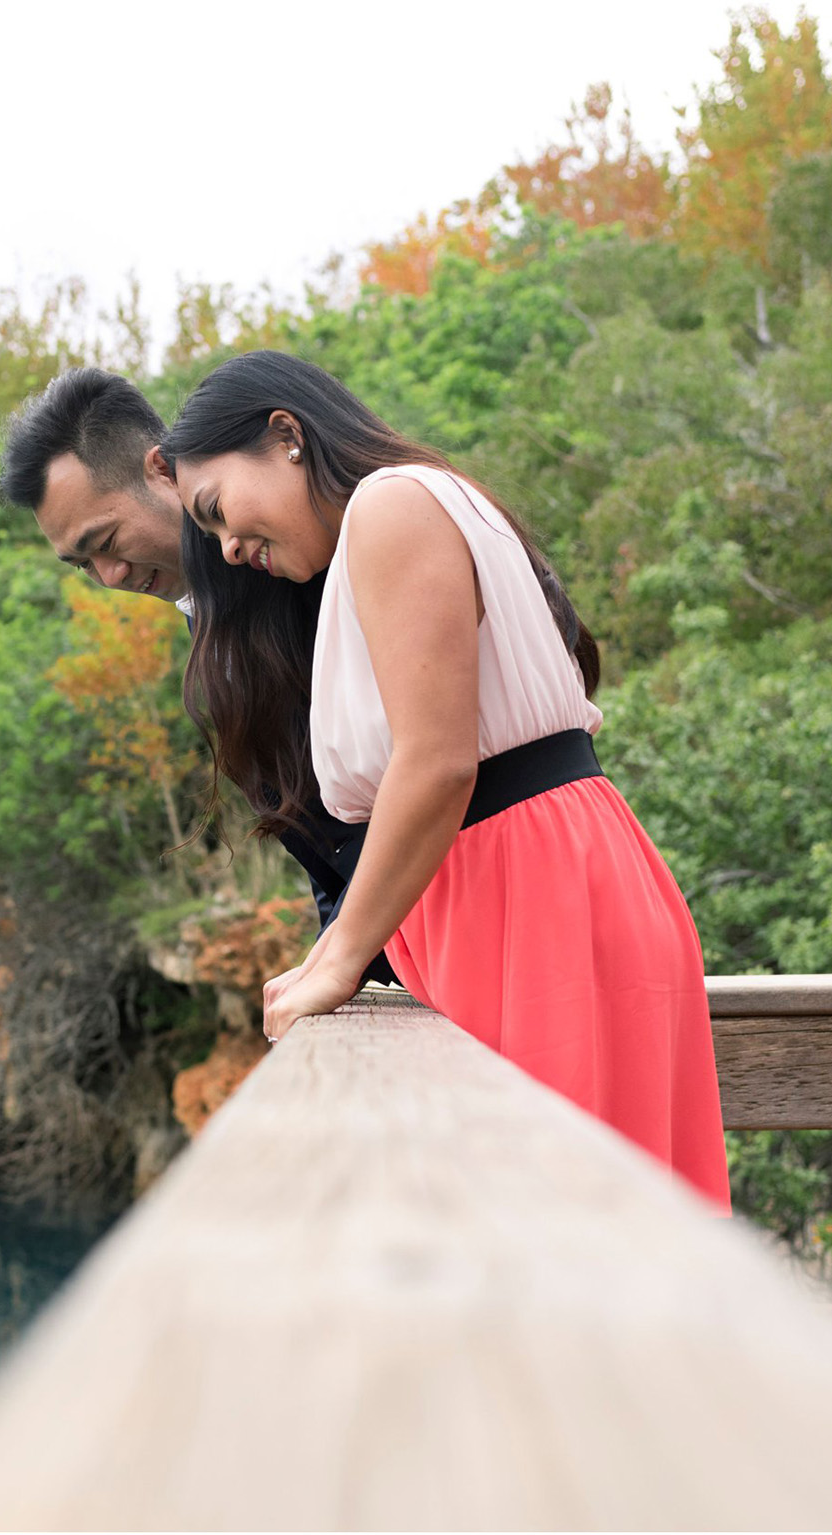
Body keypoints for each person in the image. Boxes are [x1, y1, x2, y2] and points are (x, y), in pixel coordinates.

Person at [164, 350, 729, 1210]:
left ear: (285, 435)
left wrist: (340, 956)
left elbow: (435, 761)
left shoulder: (391, 507)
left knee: (563, 1232)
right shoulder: (407, 510)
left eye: (216, 512)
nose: (229, 548)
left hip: (530, 894)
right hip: (529, 884)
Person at [0, 368, 397, 987]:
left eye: (105, 540)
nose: (108, 577)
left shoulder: (303, 566)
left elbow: (410, 781)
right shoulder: (205, 617)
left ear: (163, 470)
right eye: (82, 565)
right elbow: (320, 840)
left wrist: (346, 957)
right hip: (394, 953)